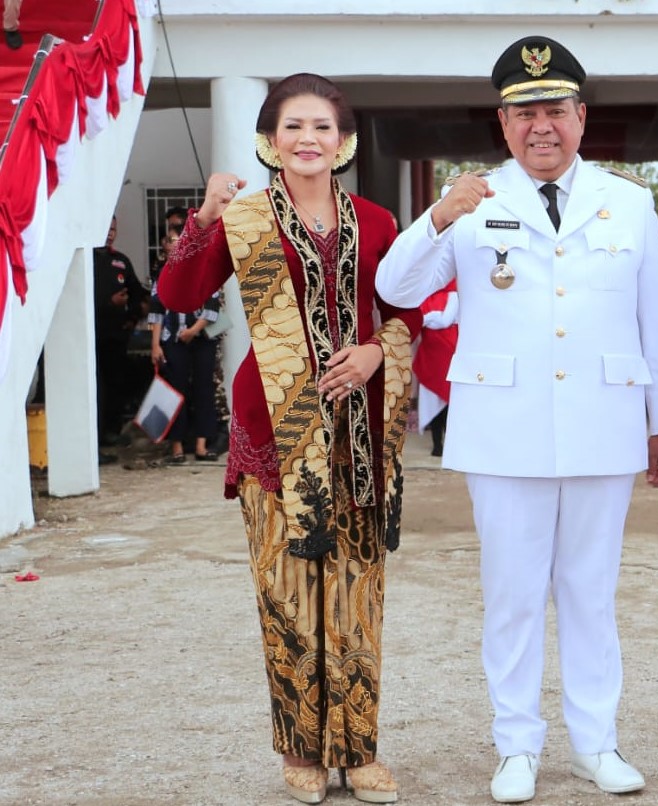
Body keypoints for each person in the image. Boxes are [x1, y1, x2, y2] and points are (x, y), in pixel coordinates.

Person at [375, 36, 658, 804]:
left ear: (581, 117)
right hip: (504, 428)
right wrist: (437, 216)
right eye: (523, 113)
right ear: (502, 124)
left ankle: (596, 743)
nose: (540, 126)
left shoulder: (629, 201)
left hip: (603, 423)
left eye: (554, 110)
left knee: (589, 592)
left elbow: (656, 323)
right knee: (511, 594)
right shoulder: (473, 200)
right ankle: (516, 746)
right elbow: (393, 284)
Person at [158, 72, 420, 805]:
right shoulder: (244, 219)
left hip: (359, 433)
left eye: (322, 128)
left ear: (346, 143)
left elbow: (407, 313)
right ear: (269, 141)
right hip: (274, 431)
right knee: (286, 594)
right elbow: (179, 297)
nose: (308, 139)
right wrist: (204, 218)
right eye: (293, 127)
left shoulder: (375, 221)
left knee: (357, 593)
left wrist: (374, 351)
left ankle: (359, 750)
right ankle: (302, 750)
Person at [149, 228, 221, 464]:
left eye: (182, 241)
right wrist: (155, 345)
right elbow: (156, 311)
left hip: (201, 338)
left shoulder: (206, 268)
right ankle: (177, 447)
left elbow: (212, 307)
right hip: (172, 339)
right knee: (175, 390)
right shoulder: (163, 273)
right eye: (171, 241)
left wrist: (193, 331)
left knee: (203, 388)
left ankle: (201, 445)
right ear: (165, 246)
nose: (177, 245)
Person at [93, 215, 146, 456]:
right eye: (106, 227)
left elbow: (137, 294)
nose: (110, 232)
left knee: (116, 385)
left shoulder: (120, 261)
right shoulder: (86, 258)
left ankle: (111, 431)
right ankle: (95, 434)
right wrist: (108, 303)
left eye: (113, 228)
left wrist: (133, 315)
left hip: (116, 338)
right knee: (96, 388)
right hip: (92, 336)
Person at [414, 279, 458, 456]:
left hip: (447, 352)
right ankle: (437, 444)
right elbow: (418, 319)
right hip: (430, 352)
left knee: (450, 401)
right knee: (431, 399)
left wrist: (428, 317)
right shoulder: (423, 295)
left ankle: (449, 444)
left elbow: (444, 320)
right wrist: (428, 318)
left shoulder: (454, 295)